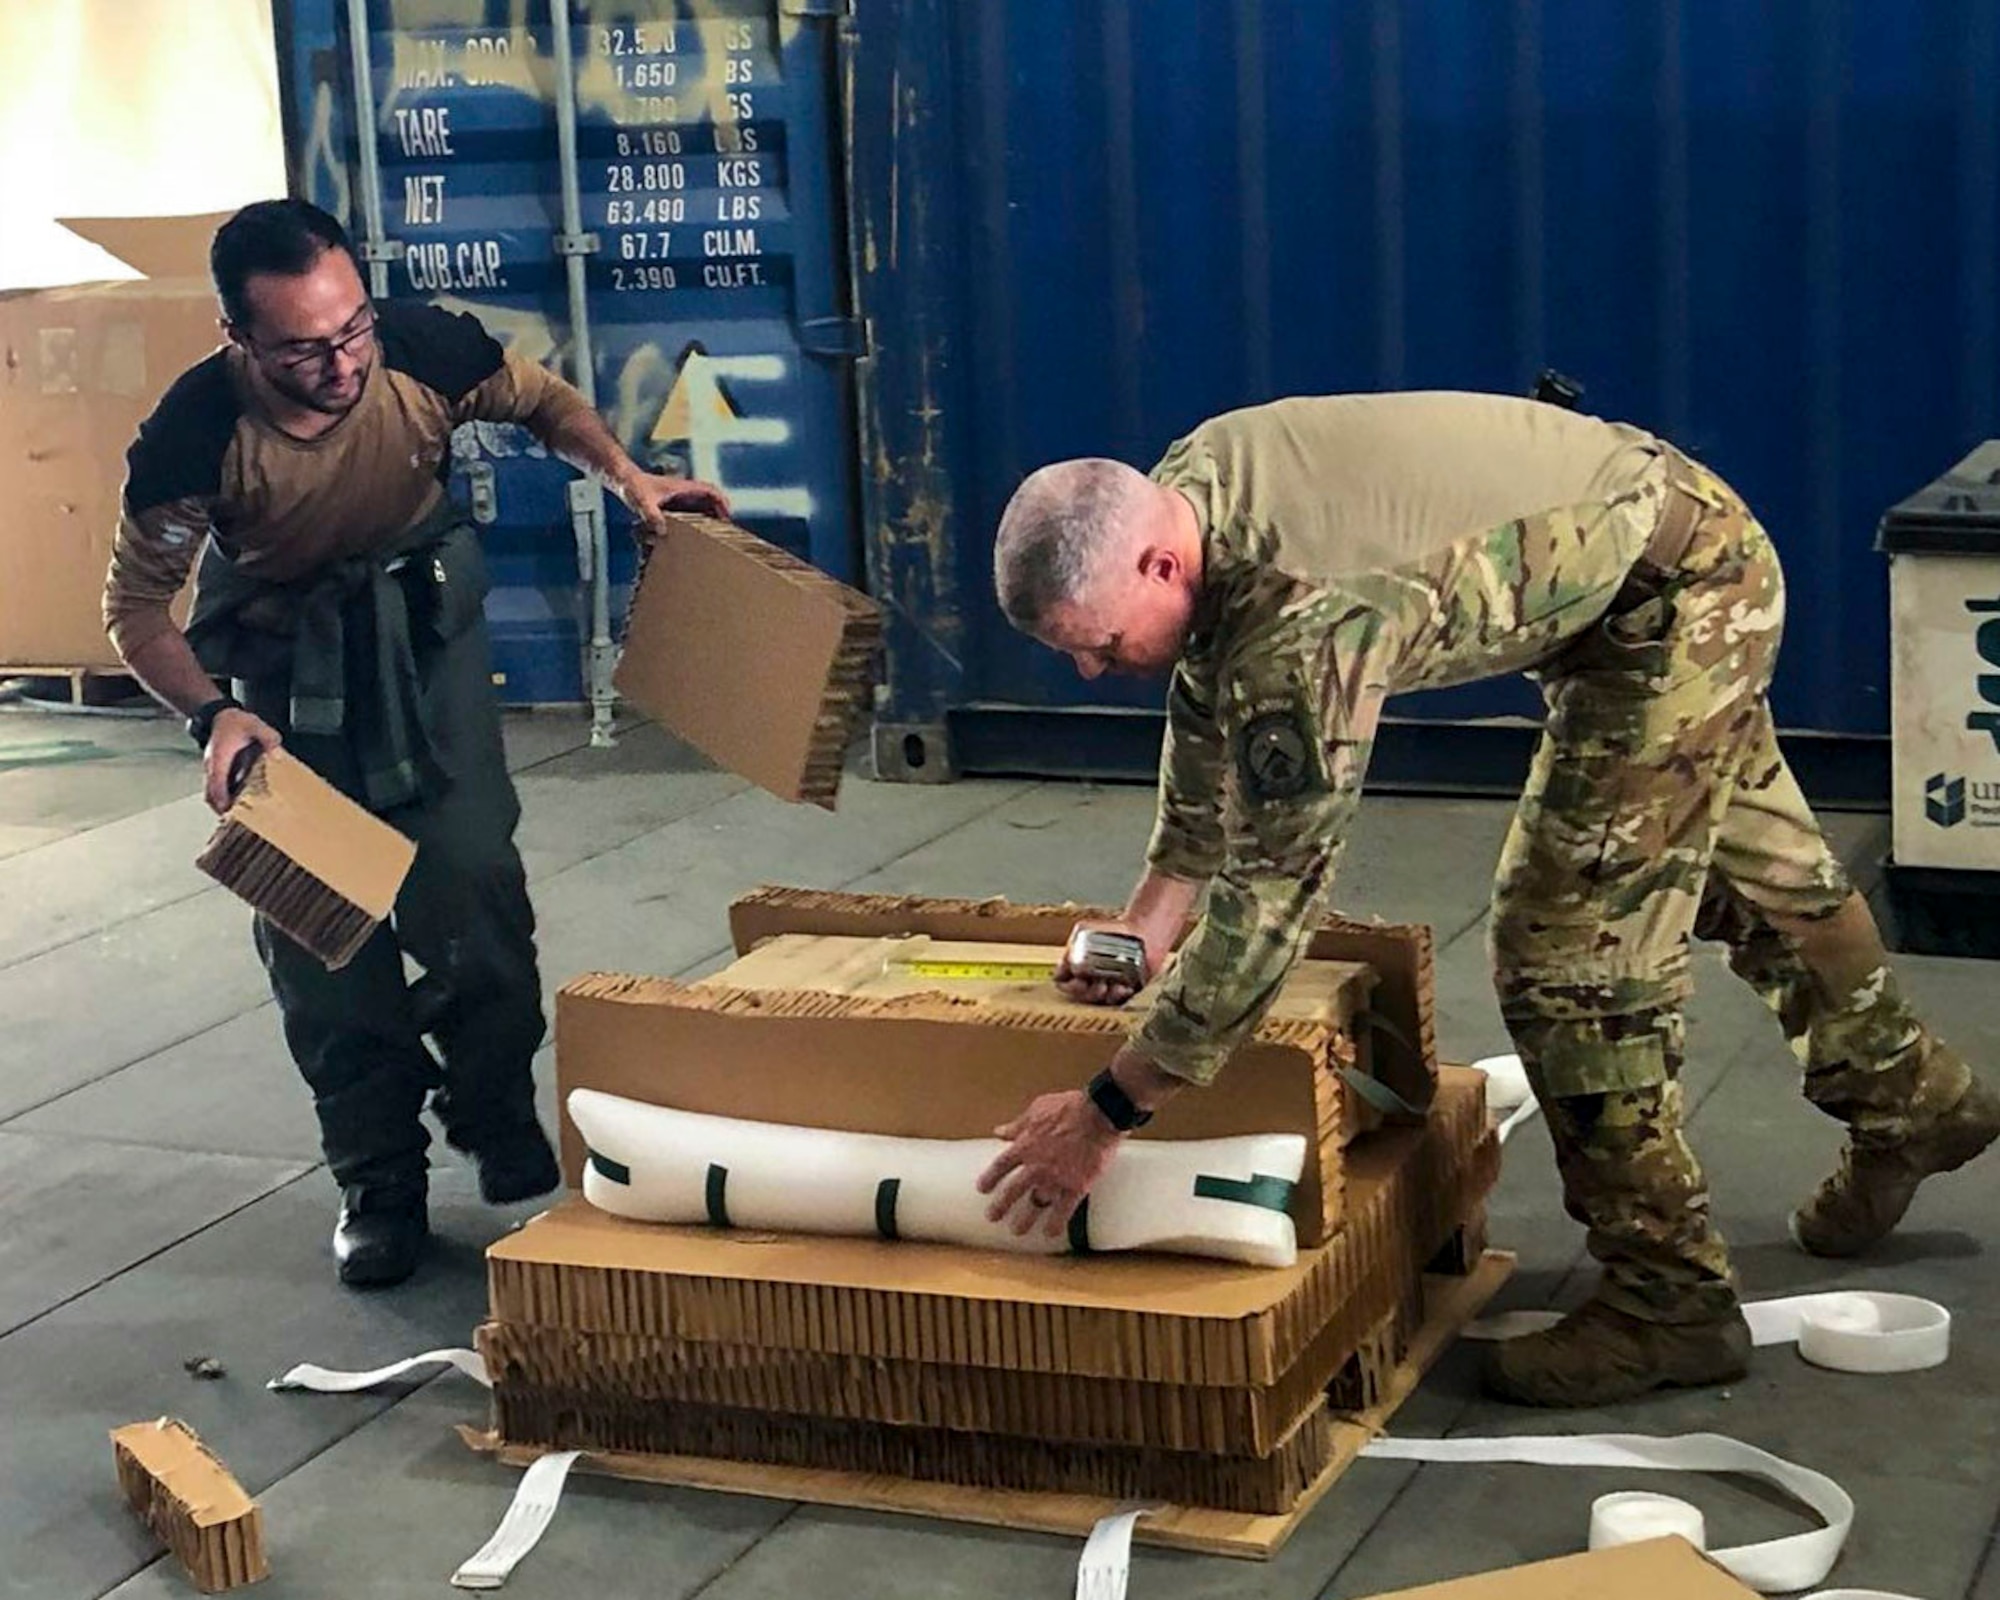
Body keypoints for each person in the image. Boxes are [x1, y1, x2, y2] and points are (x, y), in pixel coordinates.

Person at [974, 390, 1999, 1407]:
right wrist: (1150, 918)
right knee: (1762, 877)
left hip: (1667, 602)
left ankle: (1667, 1302)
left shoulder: (1304, 616)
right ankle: (1917, 1105)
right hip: (1655, 543)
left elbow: (1274, 895)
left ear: (1158, 562)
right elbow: (1208, 694)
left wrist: (1107, 1110)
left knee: (1565, 955)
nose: (1091, 670)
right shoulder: (1188, 486)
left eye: (1101, 645)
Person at [103, 199, 728, 1289]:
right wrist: (215, 715)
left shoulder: (424, 348)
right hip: (284, 673)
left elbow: (539, 401)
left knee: (473, 878)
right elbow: (138, 610)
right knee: (320, 940)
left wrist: (628, 477)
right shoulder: (193, 435)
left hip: (423, 632)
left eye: (351, 331)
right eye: (303, 346)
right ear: (237, 339)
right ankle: (377, 1179)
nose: (341, 361)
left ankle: (489, 1105)